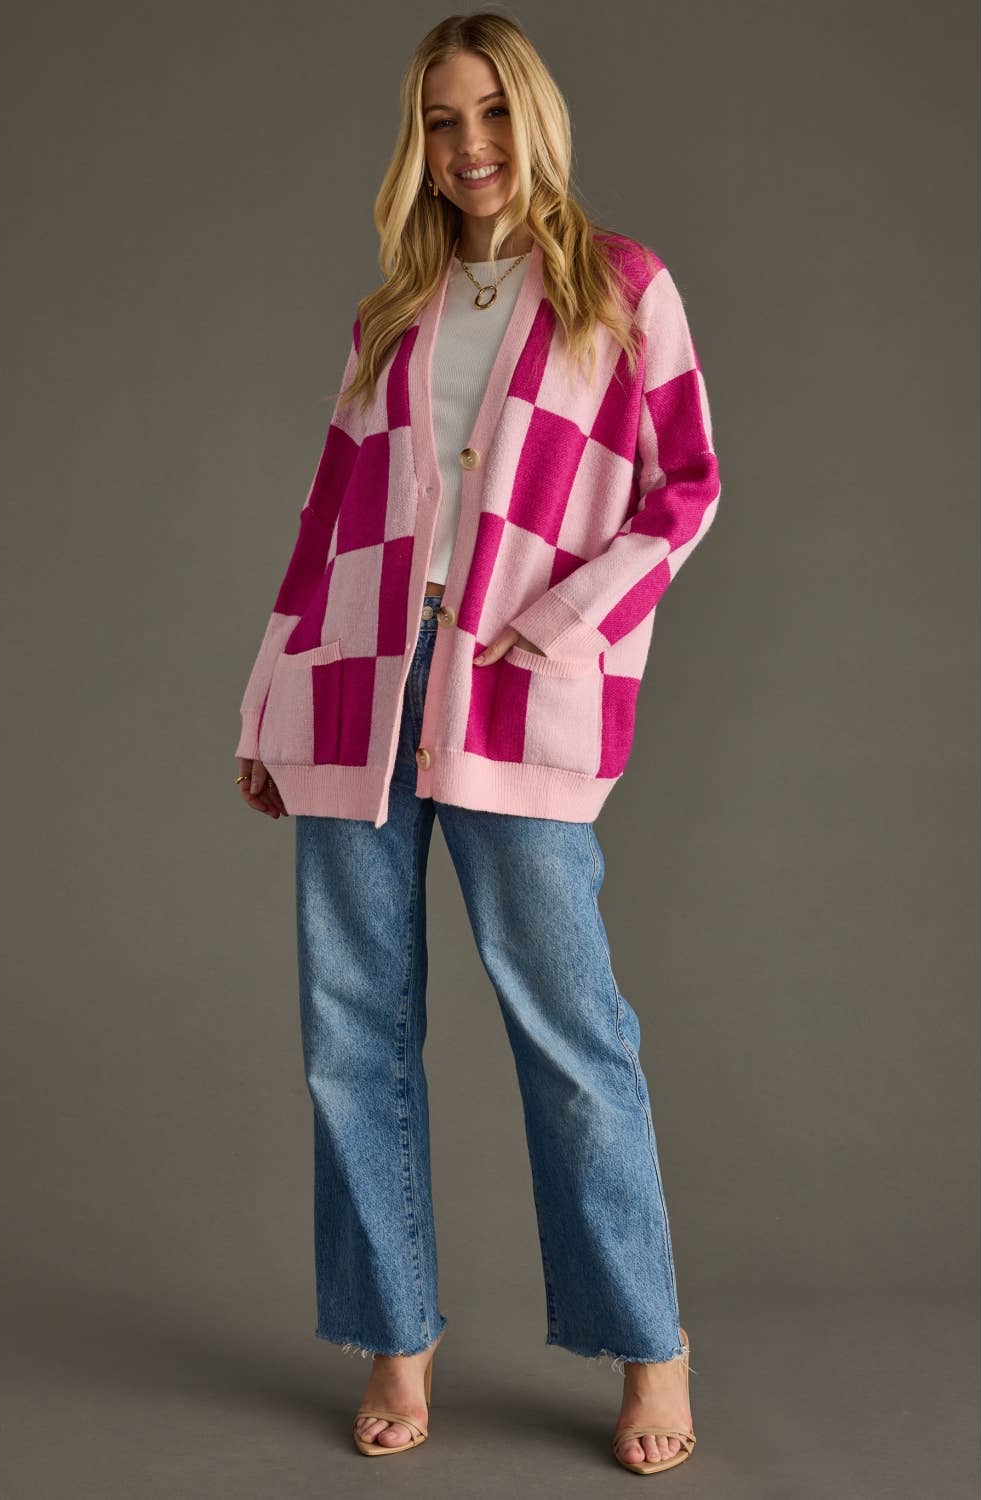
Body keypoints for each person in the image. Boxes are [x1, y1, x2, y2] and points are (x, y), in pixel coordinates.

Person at [233, 12, 720, 1478]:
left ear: (536, 120)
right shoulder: (394, 311)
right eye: (443, 121)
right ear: (418, 142)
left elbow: (686, 488)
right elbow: (326, 520)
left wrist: (560, 620)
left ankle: (650, 1345)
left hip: (513, 689)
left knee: (572, 1036)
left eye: (493, 113)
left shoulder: (619, 287)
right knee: (350, 1034)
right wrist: (264, 703)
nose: (471, 147)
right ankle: (397, 1337)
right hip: (359, 685)